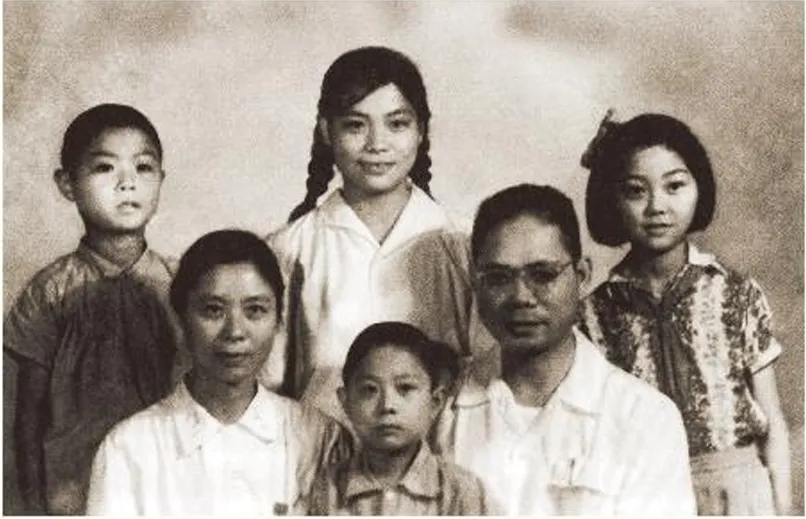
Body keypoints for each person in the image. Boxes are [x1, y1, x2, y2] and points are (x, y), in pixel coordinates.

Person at [263, 46, 498, 422]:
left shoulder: (464, 244)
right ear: (326, 131)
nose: (377, 144)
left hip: (439, 455)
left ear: (421, 130)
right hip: (320, 452)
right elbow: (268, 386)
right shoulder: (289, 249)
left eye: (397, 124)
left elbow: (488, 374)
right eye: (355, 125)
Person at [434, 184, 696, 515]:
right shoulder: (442, 408)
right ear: (476, 282)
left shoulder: (644, 418)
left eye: (543, 275)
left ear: (582, 276)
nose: (521, 297)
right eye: (498, 277)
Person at [579, 112, 791, 515]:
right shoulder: (593, 316)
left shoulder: (736, 294)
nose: (657, 206)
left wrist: (783, 508)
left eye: (674, 186)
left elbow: (773, 420)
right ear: (612, 200)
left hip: (741, 494)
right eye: (636, 191)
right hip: (645, 496)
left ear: (699, 188)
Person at [86, 230, 351, 515]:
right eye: (213, 310)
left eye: (255, 310)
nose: (235, 331)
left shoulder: (319, 437)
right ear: (181, 318)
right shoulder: (130, 448)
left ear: (278, 320)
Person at [4, 104, 180, 514]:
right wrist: (33, 507)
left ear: (161, 179)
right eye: (104, 168)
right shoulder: (50, 292)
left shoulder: (182, 284)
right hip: (77, 492)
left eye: (143, 168)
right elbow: (28, 420)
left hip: (167, 487)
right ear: (67, 184)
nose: (127, 183)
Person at [306, 321, 499, 515]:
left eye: (405, 388)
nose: (387, 405)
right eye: (370, 390)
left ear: (435, 402)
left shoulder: (465, 493)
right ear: (345, 402)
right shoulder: (326, 490)